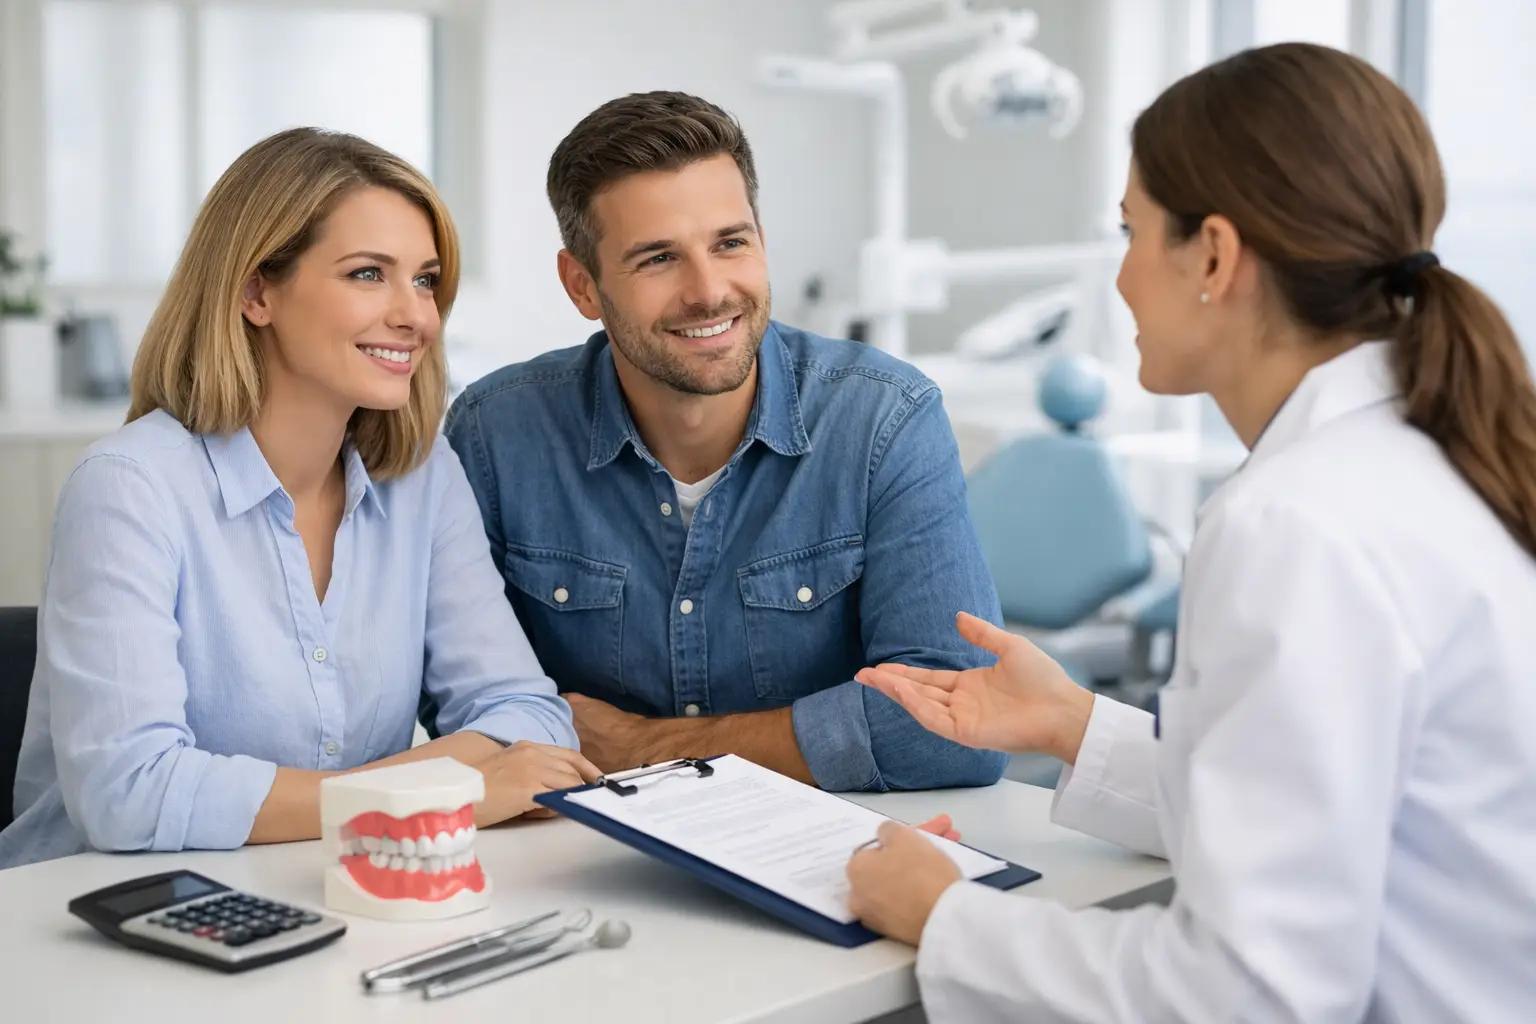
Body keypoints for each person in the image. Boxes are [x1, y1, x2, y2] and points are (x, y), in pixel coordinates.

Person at [845, 43, 1536, 1022]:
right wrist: (1071, 724)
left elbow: (1250, 994)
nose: (1120, 278)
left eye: (1130, 232)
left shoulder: (1300, 524)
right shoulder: (1441, 459)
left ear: (1212, 254)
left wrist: (945, 912)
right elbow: (1327, 817)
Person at [0, 128, 597, 869]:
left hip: (320, 902)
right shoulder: (130, 487)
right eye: (368, 274)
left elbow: (532, 717)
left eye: (425, 279)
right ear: (257, 292)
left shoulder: (420, 478)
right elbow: (129, 791)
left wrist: (398, 791)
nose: (416, 315)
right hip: (89, 924)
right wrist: (444, 790)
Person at [440, 91, 1006, 791]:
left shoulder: (884, 419)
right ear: (582, 285)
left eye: (730, 243)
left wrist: (650, 747)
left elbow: (961, 729)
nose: (708, 292)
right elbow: (464, 716)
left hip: (836, 856)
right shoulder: (496, 434)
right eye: (657, 259)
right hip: (579, 859)